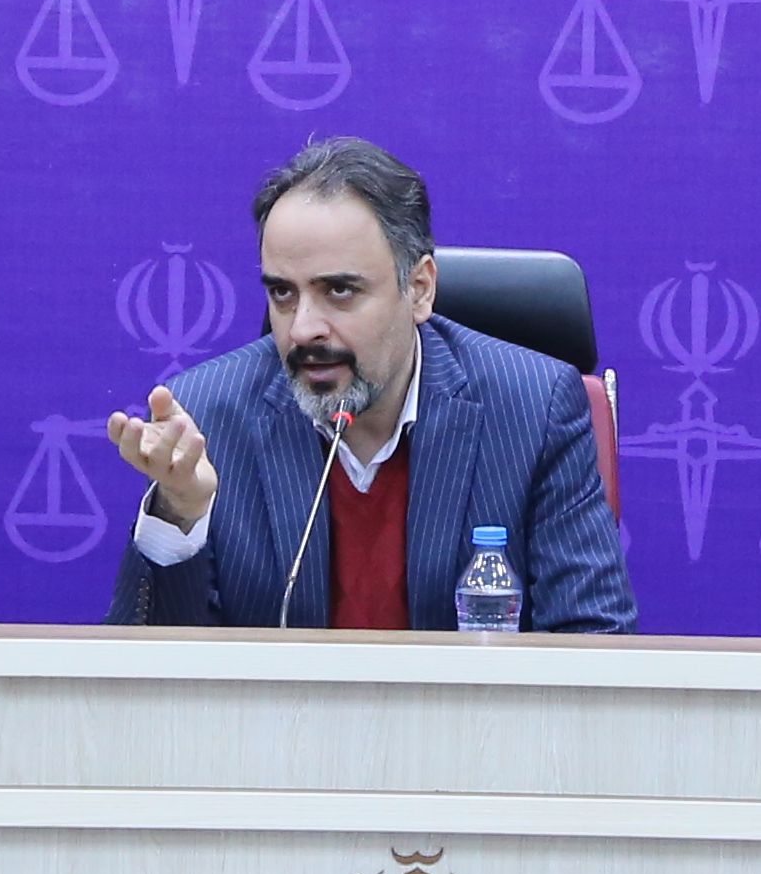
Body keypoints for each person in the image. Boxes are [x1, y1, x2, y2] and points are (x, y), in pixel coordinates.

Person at [105, 136, 633, 632]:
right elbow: (150, 675)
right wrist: (179, 514)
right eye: (283, 294)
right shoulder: (207, 417)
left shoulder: (533, 410)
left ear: (419, 289)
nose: (303, 328)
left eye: (339, 291)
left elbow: (594, 641)